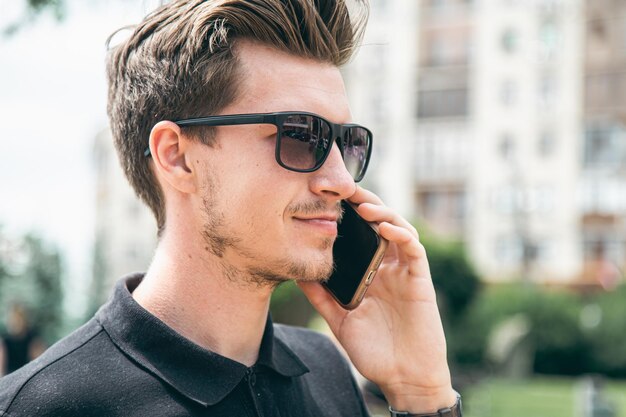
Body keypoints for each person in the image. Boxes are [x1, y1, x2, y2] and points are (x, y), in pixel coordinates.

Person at [0, 0, 461, 416]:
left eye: (347, 142)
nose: (341, 182)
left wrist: (421, 393)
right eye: (301, 135)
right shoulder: (44, 407)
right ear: (178, 157)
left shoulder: (328, 374)